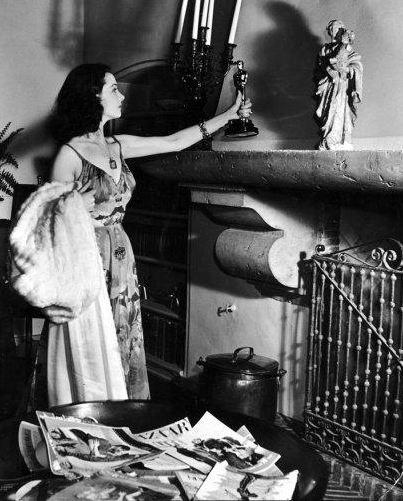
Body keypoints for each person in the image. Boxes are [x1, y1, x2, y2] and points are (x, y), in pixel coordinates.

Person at [21, 63, 252, 408]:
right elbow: (47, 225)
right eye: (113, 89)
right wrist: (74, 206)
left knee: (123, 333)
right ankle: (89, 412)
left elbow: (174, 141)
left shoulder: (117, 145)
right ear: (92, 96)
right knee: (91, 341)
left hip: (121, 253)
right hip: (87, 260)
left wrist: (229, 116)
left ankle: (124, 412)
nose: (122, 96)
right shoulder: (69, 155)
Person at [315, 26, 363, 150]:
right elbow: (321, 67)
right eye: (333, 29)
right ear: (330, 31)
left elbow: (356, 65)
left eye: (339, 29)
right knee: (329, 110)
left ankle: (340, 138)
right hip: (330, 85)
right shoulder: (325, 49)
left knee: (340, 108)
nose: (336, 31)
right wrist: (329, 69)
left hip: (343, 86)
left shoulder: (347, 48)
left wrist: (346, 69)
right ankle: (330, 138)